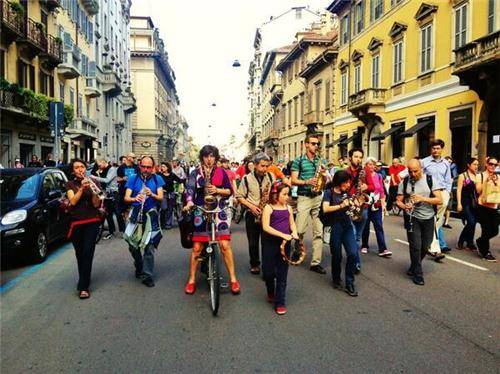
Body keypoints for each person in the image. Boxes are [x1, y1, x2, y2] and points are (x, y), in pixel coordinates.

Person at [184, 145, 240, 295]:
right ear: (202, 158)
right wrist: (189, 202)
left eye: (212, 156)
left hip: (218, 210)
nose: (209, 159)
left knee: (225, 245)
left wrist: (218, 190)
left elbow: (229, 191)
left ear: (216, 158)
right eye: (206, 156)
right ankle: (191, 280)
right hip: (201, 210)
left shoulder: (222, 172)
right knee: (197, 248)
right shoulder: (195, 173)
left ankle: (233, 279)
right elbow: (189, 189)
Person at [396, 159, 443, 286]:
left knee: (425, 246)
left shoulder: (430, 180)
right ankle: (418, 274)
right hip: (412, 218)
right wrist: (404, 206)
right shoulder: (405, 181)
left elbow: (439, 200)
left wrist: (423, 199)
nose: (413, 174)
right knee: (415, 246)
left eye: (415, 171)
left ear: (421, 168)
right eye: (410, 172)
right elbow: (398, 200)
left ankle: (413, 266)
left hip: (428, 218)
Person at [123, 156, 164, 287]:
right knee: (132, 245)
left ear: (153, 168)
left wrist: (151, 194)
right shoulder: (133, 178)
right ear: (139, 166)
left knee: (149, 247)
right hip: (135, 214)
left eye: (149, 167)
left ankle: (147, 275)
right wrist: (135, 198)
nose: (146, 169)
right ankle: (139, 264)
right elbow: (126, 198)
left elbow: (161, 198)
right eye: (143, 166)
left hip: (150, 215)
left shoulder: (157, 179)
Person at [66, 158, 103, 299]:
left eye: (82, 167)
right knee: (80, 254)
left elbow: (96, 204)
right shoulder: (70, 184)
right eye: (77, 167)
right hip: (76, 223)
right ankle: (84, 277)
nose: (80, 169)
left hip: (91, 221)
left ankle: (83, 287)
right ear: (73, 171)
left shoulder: (94, 182)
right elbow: (73, 201)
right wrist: (81, 188)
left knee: (88, 252)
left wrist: (93, 190)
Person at [291, 134, 326, 274]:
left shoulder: (319, 160)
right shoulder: (298, 161)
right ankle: (297, 249)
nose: (315, 146)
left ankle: (315, 263)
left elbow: (324, 179)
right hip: (304, 197)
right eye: (312, 143)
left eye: (317, 144)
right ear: (306, 144)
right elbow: (293, 180)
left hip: (317, 197)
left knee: (319, 231)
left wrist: (323, 175)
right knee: (299, 230)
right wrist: (306, 181)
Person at [261, 182, 298, 315]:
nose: (287, 197)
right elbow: (266, 227)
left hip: (285, 244)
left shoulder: (288, 208)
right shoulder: (268, 208)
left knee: (282, 273)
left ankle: (280, 301)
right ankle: (270, 290)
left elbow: (292, 223)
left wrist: (294, 232)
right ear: (276, 195)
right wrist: (283, 234)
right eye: (284, 194)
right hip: (270, 243)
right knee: (268, 271)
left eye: (288, 194)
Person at [321, 170, 359, 296]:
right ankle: (336, 278)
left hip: (347, 226)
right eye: (346, 182)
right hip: (335, 227)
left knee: (353, 253)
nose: (348, 185)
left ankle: (349, 283)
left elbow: (353, 213)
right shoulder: (329, 193)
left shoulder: (346, 194)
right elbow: (325, 209)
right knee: (337, 256)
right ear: (339, 181)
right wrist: (342, 205)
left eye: (349, 182)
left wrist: (356, 206)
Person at [236, 153, 275, 274]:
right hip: (251, 213)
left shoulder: (271, 176)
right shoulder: (246, 178)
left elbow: (274, 193)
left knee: (267, 242)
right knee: (253, 242)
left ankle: (267, 267)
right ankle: (254, 264)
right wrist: (252, 206)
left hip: (267, 213)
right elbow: (239, 196)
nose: (265, 169)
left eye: (266, 166)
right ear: (255, 165)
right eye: (262, 166)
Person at [421, 139, 452, 256]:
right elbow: (416, 173)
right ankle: (435, 249)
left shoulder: (446, 163)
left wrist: (448, 193)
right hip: (430, 194)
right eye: (434, 148)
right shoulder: (424, 162)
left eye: (438, 148)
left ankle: (430, 243)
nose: (436, 150)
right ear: (431, 149)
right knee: (433, 220)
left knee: (437, 221)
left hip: (443, 193)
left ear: (441, 149)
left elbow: (448, 179)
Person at [360, 157, 392, 257]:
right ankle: (364, 245)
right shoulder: (363, 176)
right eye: (370, 164)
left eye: (373, 164)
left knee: (379, 226)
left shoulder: (378, 176)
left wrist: (383, 204)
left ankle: (383, 249)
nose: (372, 166)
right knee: (365, 226)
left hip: (376, 204)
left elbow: (382, 190)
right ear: (365, 165)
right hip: (366, 203)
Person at [345, 148, 368, 272]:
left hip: (363, 208)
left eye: (360, 157)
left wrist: (367, 186)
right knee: (353, 236)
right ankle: (355, 263)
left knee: (358, 237)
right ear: (350, 158)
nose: (358, 159)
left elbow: (374, 186)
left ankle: (353, 257)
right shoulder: (345, 171)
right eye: (356, 156)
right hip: (350, 206)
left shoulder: (365, 171)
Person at [90, 159, 123, 239]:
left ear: (104, 162)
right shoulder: (103, 170)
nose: (99, 167)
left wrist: (95, 177)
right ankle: (111, 231)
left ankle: (123, 231)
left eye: (99, 165)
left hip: (114, 193)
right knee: (108, 213)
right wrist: (97, 175)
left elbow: (107, 180)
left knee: (118, 213)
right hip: (106, 194)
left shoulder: (112, 169)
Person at [475, 156, 499, 262]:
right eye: (491, 164)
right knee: (486, 229)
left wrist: (495, 182)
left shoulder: (498, 177)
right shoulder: (480, 176)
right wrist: (486, 181)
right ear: (486, 164)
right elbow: (478, 190)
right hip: (482, 206)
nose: (493, 166)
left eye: (495, 165)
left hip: (493, 206)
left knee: (494, 230)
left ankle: (480, 241)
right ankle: (485, 252)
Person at [456, 157, 479, 251]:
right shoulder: (463, 176)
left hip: (475, 203)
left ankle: (470, 242)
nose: (476, 166)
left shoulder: (478, 176)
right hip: (465, 203)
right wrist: (458, 204)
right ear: (469, 165)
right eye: (474, 164)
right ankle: (461, 241)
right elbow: (458, 190)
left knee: (473, 223)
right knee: (471, 222)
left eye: (477, 164)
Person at [158, 162, 183, 229]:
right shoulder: (159, 175)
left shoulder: (172, 175)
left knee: (170, 209)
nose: (162, 168)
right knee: (164, 208)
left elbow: (180, 180)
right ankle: (162, 223)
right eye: (161, 166)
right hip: (163, 194)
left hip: (171, 193)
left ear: (167, 168)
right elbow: (156, 183)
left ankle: (168, 224)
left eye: (163, 166)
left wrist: (184, 181)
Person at [117, 153, 139, 222]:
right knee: (124, 208)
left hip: (134, 190)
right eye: (133, 157)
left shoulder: (136, 167)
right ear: (128, 158)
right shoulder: (121, 167)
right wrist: (123, 179)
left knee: (132, 207)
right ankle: (126, 224)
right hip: (123, 190)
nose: (134, 159)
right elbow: (117, 179)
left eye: (135, 157)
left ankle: (132, 221)